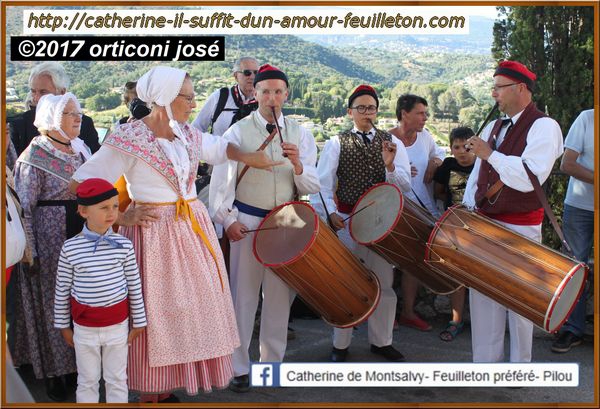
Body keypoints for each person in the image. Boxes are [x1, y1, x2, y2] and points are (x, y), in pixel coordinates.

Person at [69, 66, 279, 403]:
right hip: (154, 237)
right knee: (155, 315)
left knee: (188, 313)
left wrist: (249, 157)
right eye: (189, 97)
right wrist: (121, 215)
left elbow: (220, 149)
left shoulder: (185, 135)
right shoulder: (129, 138)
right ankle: (149, 392)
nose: (194, 104)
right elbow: (81, 185)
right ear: (165, 98)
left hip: (191, 232)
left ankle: (163, 388)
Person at [210, 64, 320, 392]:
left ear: (286, 95)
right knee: (243, 298)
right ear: (254, 94)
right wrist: (228, 220)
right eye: (265, 91)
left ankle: (272, 366)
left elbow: (312, 184)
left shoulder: (302, 134)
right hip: (248, 220)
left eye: (278, 91)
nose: (272, 97)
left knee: (278, 298)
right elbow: (220, 186)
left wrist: (298, 164)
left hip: (286, 222)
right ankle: (238, 367)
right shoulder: (237, 133)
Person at [463, 60, 563, 362]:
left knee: (520, 299)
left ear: (520, 88)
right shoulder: (494, 125)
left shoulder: (545, 126)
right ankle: (485, 366)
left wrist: (490, 154)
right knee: (483, 297)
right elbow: (478, 173)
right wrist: (467, 207)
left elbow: (529, 177)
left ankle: (519, 367)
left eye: (499, 88)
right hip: (483, 225)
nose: (494, 94)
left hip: (521, 228)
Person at [310, 85, 411, 363]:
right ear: (350, 112)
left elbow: (406, 185)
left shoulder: (392, 143)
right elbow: (322, 183)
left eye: (371, 108)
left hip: (381, 223)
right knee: (347, 282)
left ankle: (382, 341)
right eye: (361, 108)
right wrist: (330, 213)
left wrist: (389, 166)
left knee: (384, 283)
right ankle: (340, 344)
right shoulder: (335, 142)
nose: (367, 113)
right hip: (347, 220)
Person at [12, 92, 92, 401]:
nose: (78, 117)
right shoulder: (33, 157)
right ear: (50, 119)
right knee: (53, 306)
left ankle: (80, 366)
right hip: (50, 239)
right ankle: (56, 373)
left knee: (80, 301)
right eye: (69, 112)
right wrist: (31, 251)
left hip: (80, 233)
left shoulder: (79, 149)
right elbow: (24, 208)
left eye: (78, 111)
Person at [53, 178, 146, 403]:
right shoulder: (71, 247)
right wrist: (63, 325)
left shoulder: (124, 244)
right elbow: (62, 289)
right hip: (84, 329)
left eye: (115, 206)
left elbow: (134, 283)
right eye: (104, 207)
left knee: (116, 379)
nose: (112, 213)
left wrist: (140, 321)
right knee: (87, 380)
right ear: (83, 211)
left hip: (117, 326)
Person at [388, 94, 445, 332]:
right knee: (388, 263)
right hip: (395, 211)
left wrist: (435, 163)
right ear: (404, 114)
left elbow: (440, 153)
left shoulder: (425, 137)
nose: (425, 117)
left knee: (414, 264)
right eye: (421, 113)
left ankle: (408, 312)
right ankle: (386, 315)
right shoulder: (387, 139)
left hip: (423, 210)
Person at [551, 109, 594, 353]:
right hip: (580, 207)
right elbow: (567, 164)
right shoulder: (586, 119)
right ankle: (571, 328)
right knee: (575, 269)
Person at [433, 126, 476, 342]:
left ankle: (483, 321)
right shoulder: (447, 167)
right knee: (457, 275)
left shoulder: (483, 166)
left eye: (467, 146)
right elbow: (439, 193)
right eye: (456, 147)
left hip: (479, 229)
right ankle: (455, 320)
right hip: (454, 227)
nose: (462, 151)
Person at [9, 62, 100, 156]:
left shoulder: (84, 123)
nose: (36, 98)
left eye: (43, 92)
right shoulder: (18, 125)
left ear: (62, 92)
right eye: (33, 91)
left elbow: (96, 161)